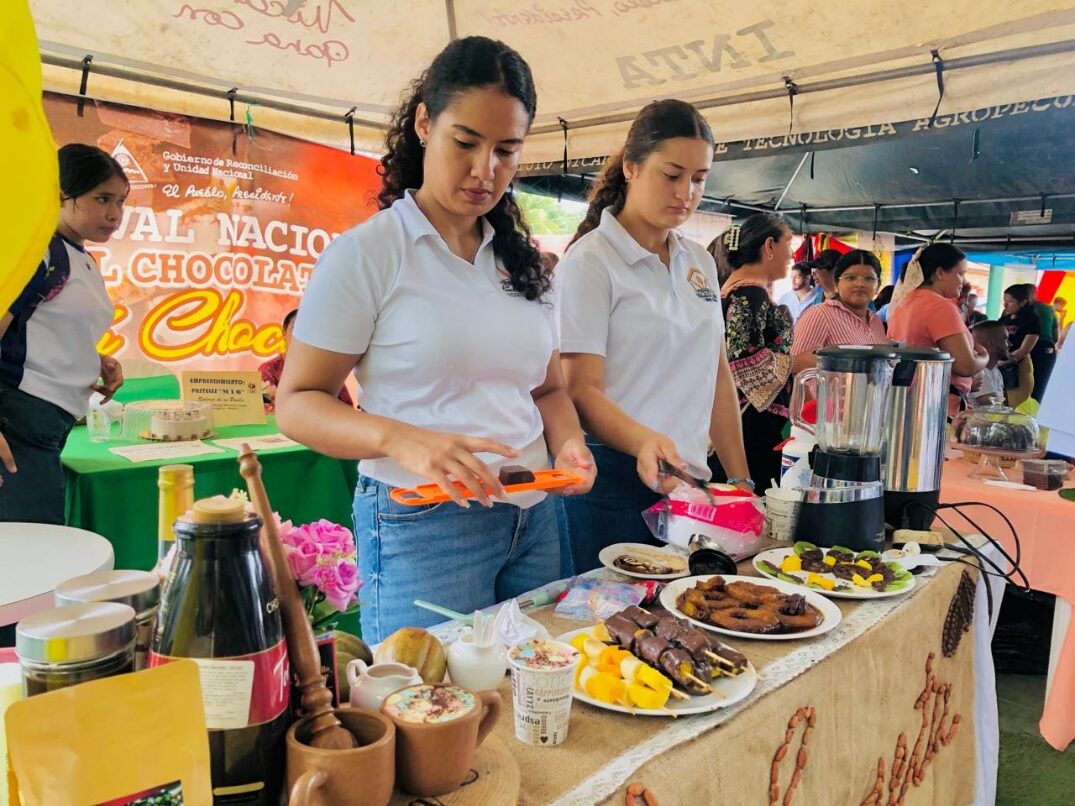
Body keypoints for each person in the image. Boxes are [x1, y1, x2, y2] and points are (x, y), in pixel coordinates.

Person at [275, 37, 595, 642]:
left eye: (506, 150)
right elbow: (297, 403)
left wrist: (571, 445)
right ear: (425, 122)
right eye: (466, 143)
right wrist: (404, 439)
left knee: (536, 699)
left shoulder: (524, 264)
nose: (485, 171)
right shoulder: (367, 255)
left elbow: (548, 388)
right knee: (427, 710)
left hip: (536, 514)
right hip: (423, 523)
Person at [557, 99, 752, 574]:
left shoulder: (700, 262)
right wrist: (644, 441)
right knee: (615, 634)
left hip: (690, 486)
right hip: (613, 484)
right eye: (672, 174)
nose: (686, 192)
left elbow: (717, 374)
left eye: (700, 178)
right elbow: (580, 389)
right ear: (631, 167)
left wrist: (741, 478)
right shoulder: (590, 263)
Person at [0, 144, 126, 523]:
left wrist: (95, 360)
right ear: (59, 193)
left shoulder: (76, 253)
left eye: (121, 201)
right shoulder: (36, 251)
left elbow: (38, 325)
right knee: (33, 555)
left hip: (48, 420)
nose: (114, 214)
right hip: (18, 418)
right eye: (102, 198)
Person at [713, 213, 795, 491]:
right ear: (769, 246)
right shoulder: (749, 295)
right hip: (750, 425)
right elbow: (742, 362)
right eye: (789, 243)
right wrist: (796, 363)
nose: (792, 254)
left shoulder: (733, 292)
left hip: (741, 422)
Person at [887, 244, 989, 415]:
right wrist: (984, 356)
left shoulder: (903, 304)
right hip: (936, 406)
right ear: (940, 273)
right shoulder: (940, 307)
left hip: (907, 401)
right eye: (960, 273)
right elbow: (965, 366)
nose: (963, 281)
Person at [790, 249, 890, 374]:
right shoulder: (819, 315)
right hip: (828, 394)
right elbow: (794, 371)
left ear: (878, 285)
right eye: (851, 277)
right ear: (836, 283)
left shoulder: (876, 321)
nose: (860, 284)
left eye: (869, 278)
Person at [258, 308, 353, 410]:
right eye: (296, 327)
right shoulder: (269, 369)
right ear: (284, 333)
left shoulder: (326, 368)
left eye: (307, 329)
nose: (301, 334)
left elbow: (346, 406)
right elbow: (266, 407)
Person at [1001, 284, 1055, 403]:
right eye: (1004, 301)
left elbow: (1023, 350)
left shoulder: (1031, 318)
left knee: (1023, 400)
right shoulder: (1006, 317)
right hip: (1008, 364)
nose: (1005, 305)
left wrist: (1002, 362)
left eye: (1010, 302)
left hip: (1021, 363)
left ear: (1023, 301)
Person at [969, 321, 1009, 406]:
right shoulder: (979, 372)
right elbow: (996, 409)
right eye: (1005, 339)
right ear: (990, 343)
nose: (1009, 344)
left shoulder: (995, 371)